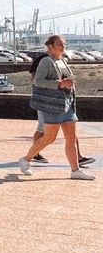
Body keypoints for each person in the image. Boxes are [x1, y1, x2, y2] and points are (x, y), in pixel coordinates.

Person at [19, 35, 93, 179]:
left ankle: (75, 170)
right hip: (52, 105)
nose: (63, 46)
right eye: (60, 44)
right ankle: (26, 159)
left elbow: (66, 79)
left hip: (67, 104)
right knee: (49, 138)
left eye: (64, 43)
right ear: (51, 46)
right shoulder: (46, 61)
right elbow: (38, 81)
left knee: (71, 138)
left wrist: (69, 83)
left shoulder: (63, 61)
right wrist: (59, 84)